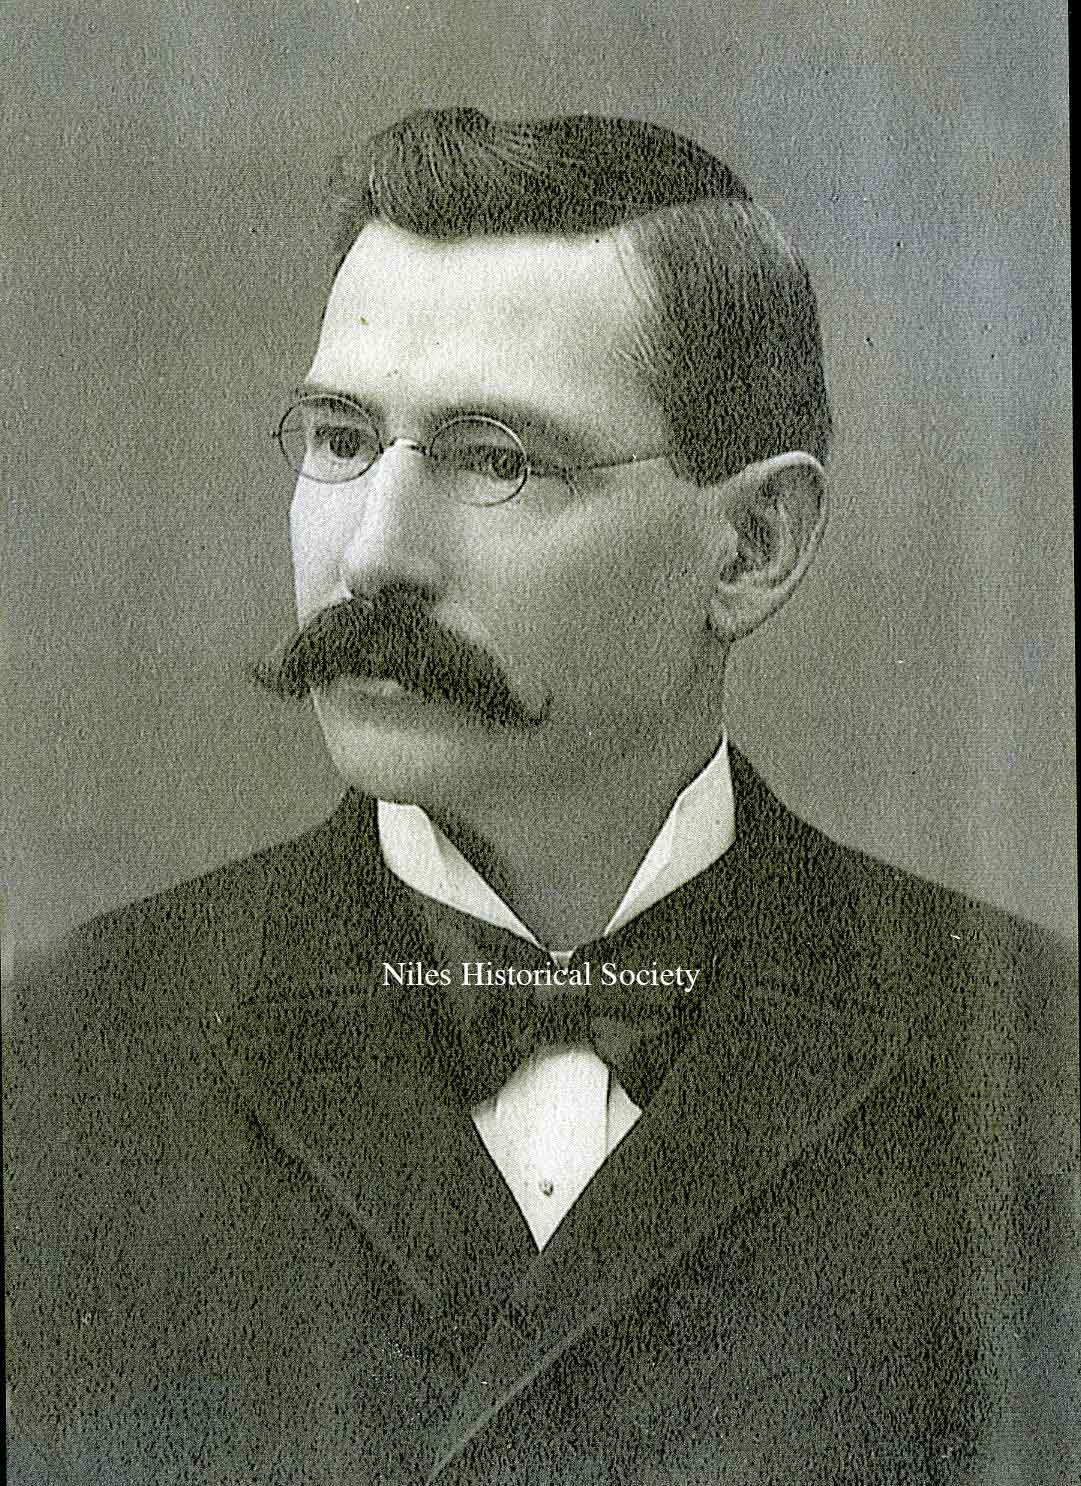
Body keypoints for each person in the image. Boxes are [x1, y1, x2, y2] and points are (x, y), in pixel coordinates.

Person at [4, 107, 1076, 1484]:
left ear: (753, 545)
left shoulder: (1029, 1072)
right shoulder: (69, 1060)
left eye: (495, 459)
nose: (373, 555)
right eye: (340, 438)